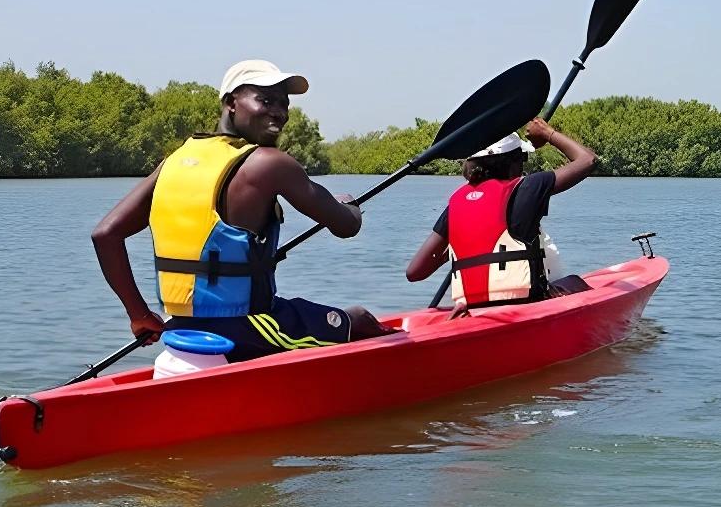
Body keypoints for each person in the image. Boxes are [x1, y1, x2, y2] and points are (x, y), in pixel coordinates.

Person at [92, 59, 394, 361]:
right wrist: (349, 205)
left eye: (284, 104)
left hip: (180, 327)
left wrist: (139, 314)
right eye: (265, 100)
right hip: (248, 330)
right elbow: (346, 226)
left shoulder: (174, 162)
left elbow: (106, 234)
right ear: (230, 102)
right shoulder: (269, 162)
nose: (279, 112)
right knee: (360, 321)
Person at [405, 117, 596, 311]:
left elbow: (415, 272)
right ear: (511, 162)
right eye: (522, 158)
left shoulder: (457, 203)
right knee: (575, 282)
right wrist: (548, 133)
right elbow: (587, 160)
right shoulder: (529, 186)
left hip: (471, 307)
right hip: (525, 303)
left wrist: (460, 246)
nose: (523, 166)